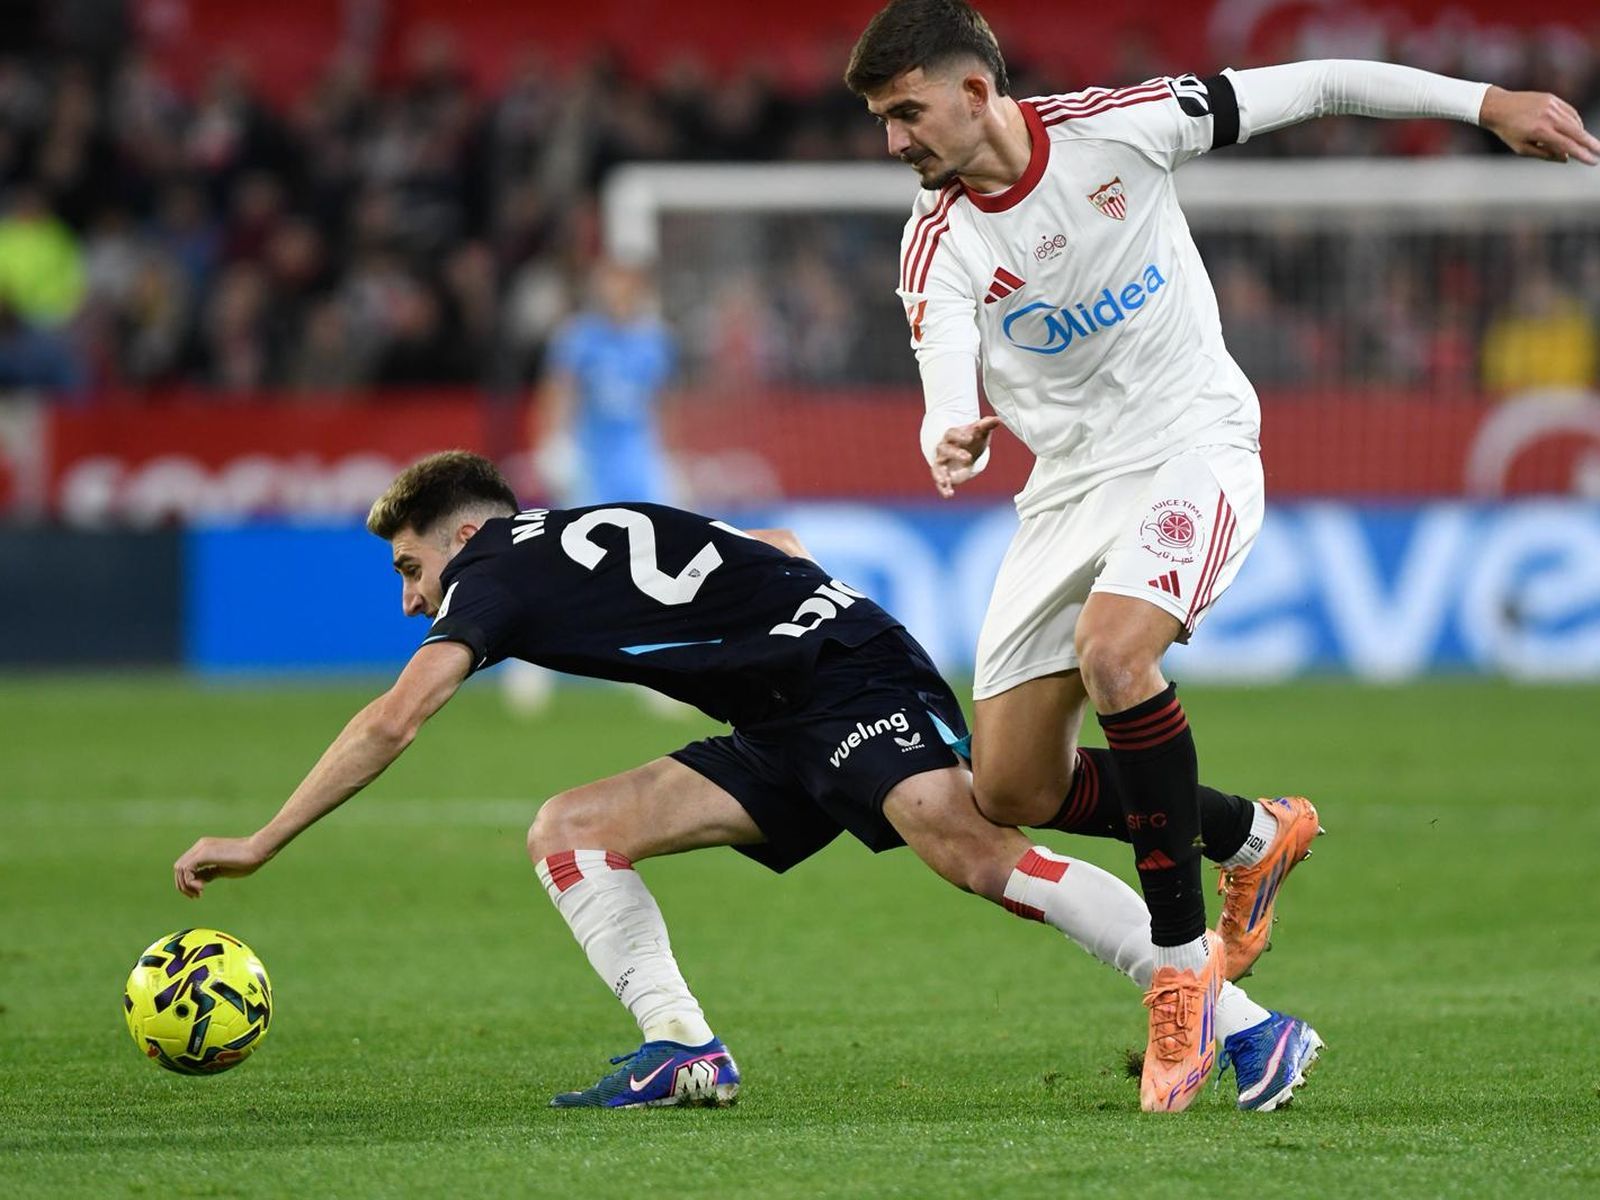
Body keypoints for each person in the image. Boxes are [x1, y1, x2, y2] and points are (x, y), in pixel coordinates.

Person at [844, 0, 1600, 1112]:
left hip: (1192, 444)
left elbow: (1318, 83)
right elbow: (944, 363)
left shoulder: (1125, 126)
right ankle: (1251, 833)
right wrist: (946, 427)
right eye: (880, 120)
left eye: (904, 113)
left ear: (973, 91)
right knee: (1008, 786)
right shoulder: (939, 238)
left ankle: (1182, 977)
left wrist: (1484, 103)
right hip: (1063, 493)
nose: (893, 142)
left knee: (1116, 658)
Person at [172, 450, 1321, 1112]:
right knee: (572, 827)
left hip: (836, 680)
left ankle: (1244, 1024)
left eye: (410, 566)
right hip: (790, 696)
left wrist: (264, 840)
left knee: (966, 841)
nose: (412, 598)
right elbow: (774, 540)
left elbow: (394, 721)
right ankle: (683, 1050)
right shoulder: (589, 523)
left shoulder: (494, 576)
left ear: (459, 531)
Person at [506, 256, 679, 714]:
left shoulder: (655, 342)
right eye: (611, 286)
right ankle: (529, 664)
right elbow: (557, 393)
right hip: (591, 467)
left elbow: (659, 403)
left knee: (651, 570)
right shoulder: (579, 337)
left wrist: (667, 457)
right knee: (567, 566)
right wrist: (552, 445)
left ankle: (655, 673)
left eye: (626, 287)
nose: (618, 295)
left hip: (637, 467)